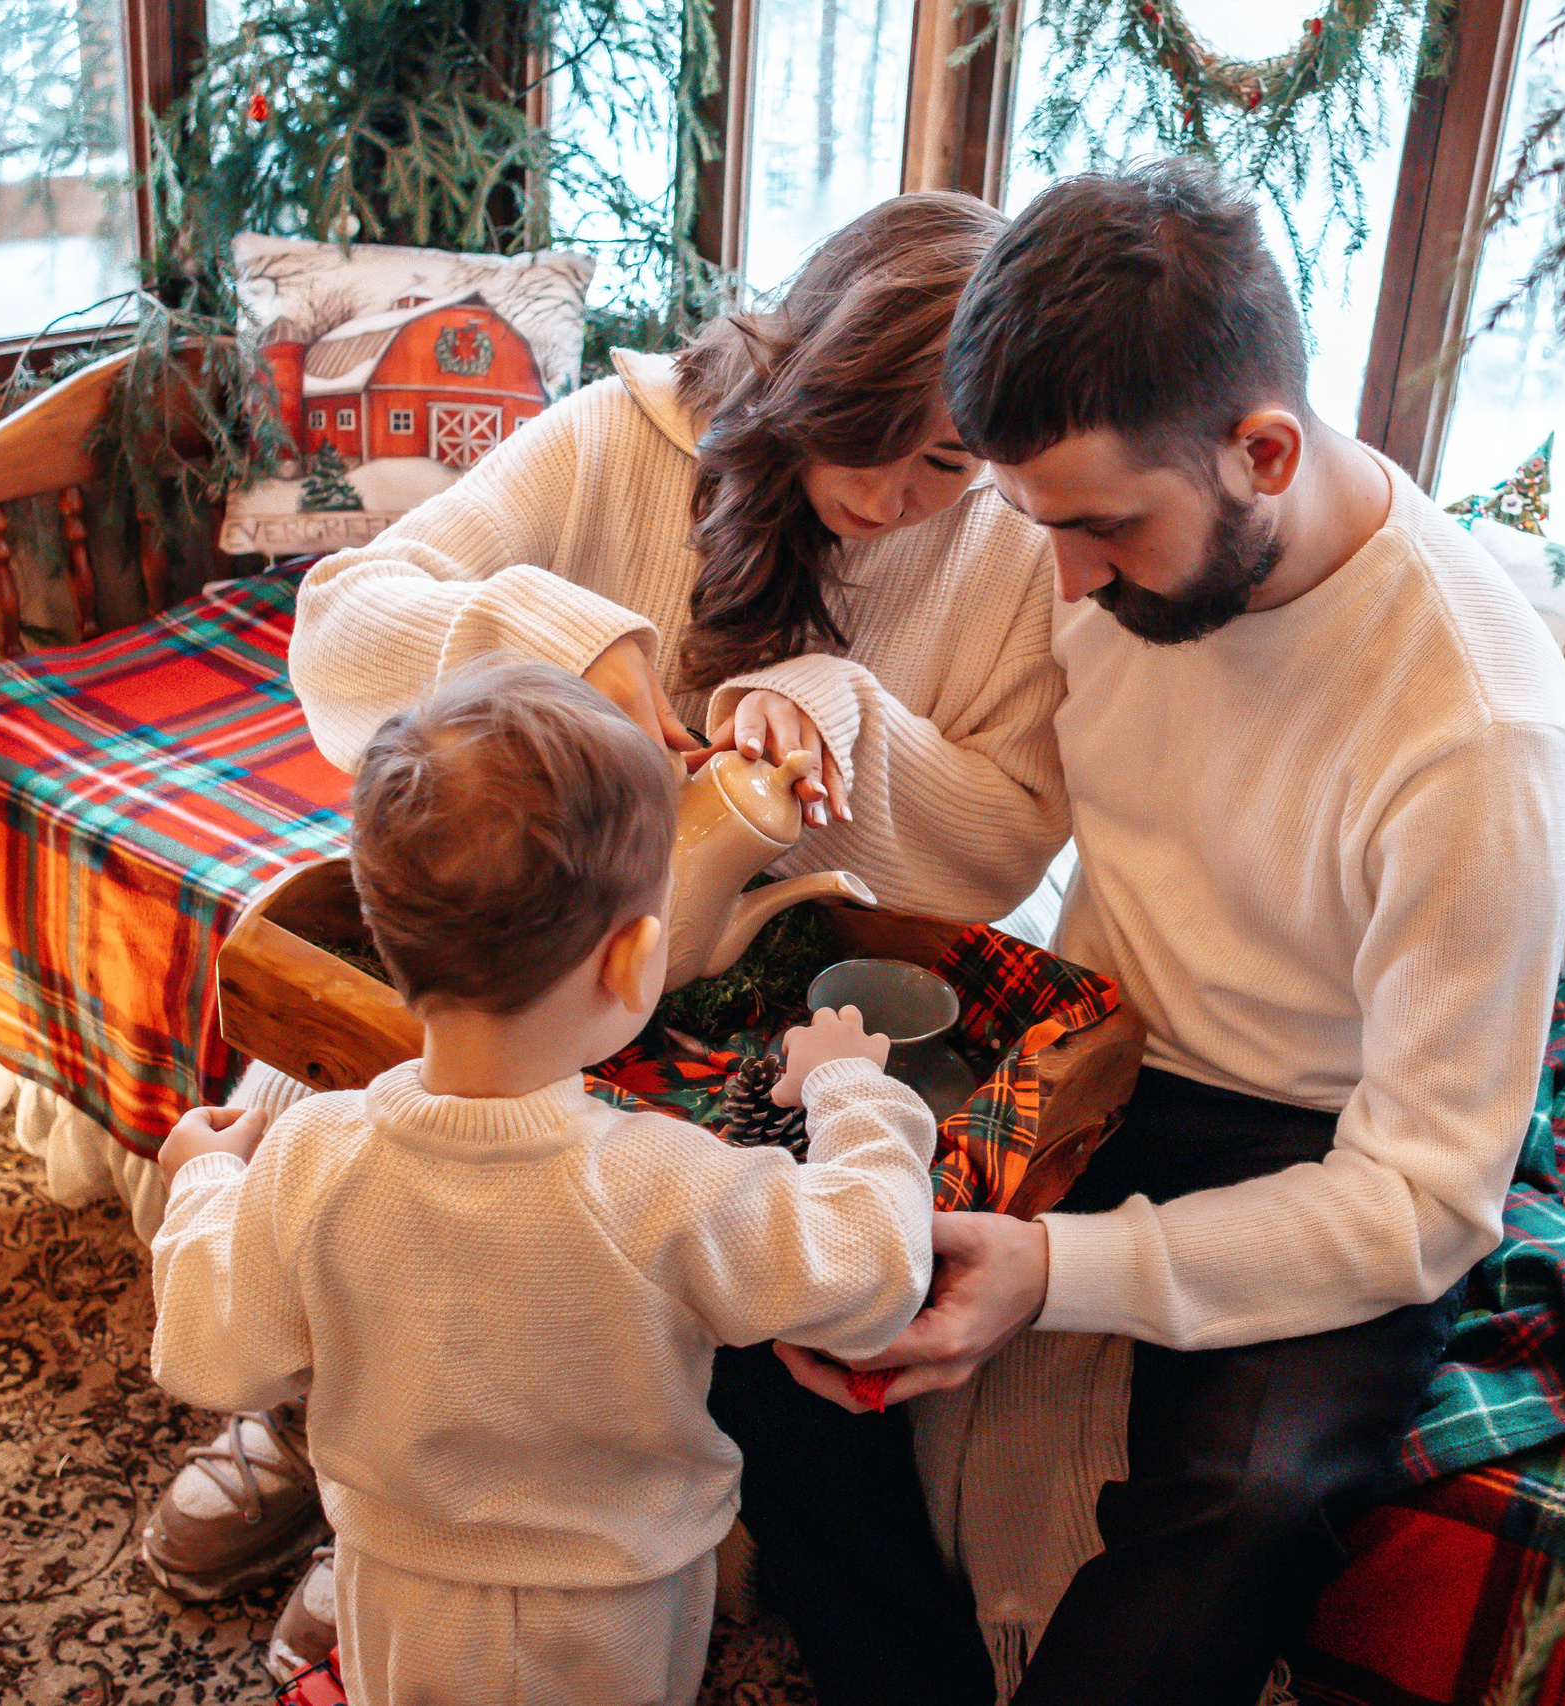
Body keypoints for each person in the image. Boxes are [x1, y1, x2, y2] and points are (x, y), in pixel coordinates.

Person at [709, 160, 1565, 1705]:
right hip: (1087, 1033)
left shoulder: (1473, 728)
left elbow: (1427, 1206)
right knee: (758, 1275)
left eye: (1105, 531)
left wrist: (1059, 1271)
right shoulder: (1086, 545)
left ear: (1263, 450)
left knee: (1247, 1501)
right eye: (1032, 521)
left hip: (1323, 1139)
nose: (1062, 583)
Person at [141, 191, 1070, 1634]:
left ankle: (420, 1507)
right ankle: (320, 1421)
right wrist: (567, 649)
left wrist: (842, 715)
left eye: (946, 461)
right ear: (798, 361)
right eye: (864, 437)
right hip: (526, 972)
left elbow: (1003, 845)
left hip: (742, 1004)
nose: (894, 497)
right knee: (387, 1085)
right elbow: (338, 636)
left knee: (600, 1218)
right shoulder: (622, 440)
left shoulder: (1003, 550)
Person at [147, 657, 940, 1704]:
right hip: (620, 1606)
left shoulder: (311, 1154)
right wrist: (853, 1092)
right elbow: (873, 1268)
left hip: (396, 1590)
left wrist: (205, 1184)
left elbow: (210, 1350)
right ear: (632, 960)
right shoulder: (666, 1179)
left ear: (385, 941)